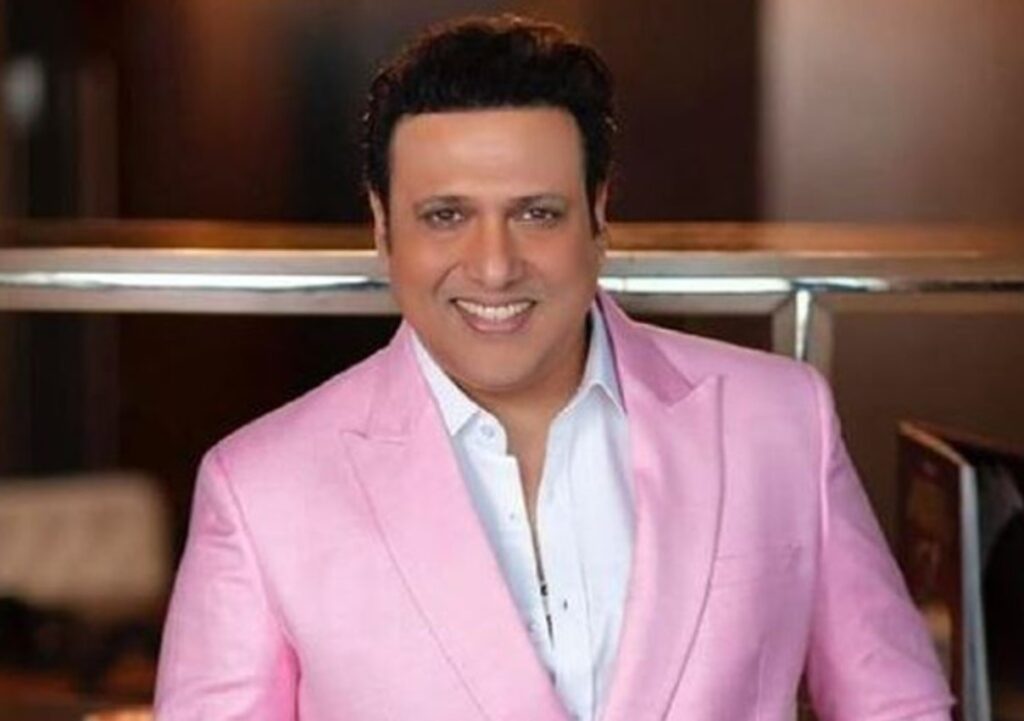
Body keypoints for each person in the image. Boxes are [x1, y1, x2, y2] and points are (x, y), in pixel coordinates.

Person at [154, 14, 954, 721]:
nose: (494, 265)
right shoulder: (261, 489)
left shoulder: (780, 419)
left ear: (598, 214)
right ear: (382, 226)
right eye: (446, 215)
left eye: (536, 213)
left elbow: (898, 704)